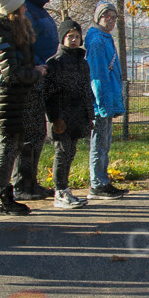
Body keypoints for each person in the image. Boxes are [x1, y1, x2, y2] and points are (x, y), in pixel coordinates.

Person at [0, 0, 45, 215]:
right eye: (22, 8)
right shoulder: (3, 37)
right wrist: (36, 73)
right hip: (8, 100)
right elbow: (12, 74)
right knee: (8, 147)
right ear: (13, 11)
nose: (26, 11)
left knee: (13, 146)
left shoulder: (13, 35)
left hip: (16, 99)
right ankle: (1, 198)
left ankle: (5, 195)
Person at [12, 0, 59, 201]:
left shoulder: (37, 8)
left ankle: (30, 181)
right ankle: (21, 184)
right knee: (31, 132)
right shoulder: (24, 9)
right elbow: (23, 44)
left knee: (38, 132)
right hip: (32, 78)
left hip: (42, 75)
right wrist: (36, 66)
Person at [44, 20, 94, 209]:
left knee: (71, 152)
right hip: (61, 118)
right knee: (62, 153)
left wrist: (89, 116)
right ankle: (60, 191)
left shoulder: (83, 63)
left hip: (78, 116)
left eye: (77, 37)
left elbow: (86, 92)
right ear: (62, 38)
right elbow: (50, 95)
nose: (74, 40)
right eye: (70, 37)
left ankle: (66, 190)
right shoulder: (55, 64)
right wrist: (55, 118)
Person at [85, 1, 129, 200]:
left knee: (105, 142)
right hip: (101, 101)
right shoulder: (97, 41)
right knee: (100, 143)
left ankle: (102, 179)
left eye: (113, 17)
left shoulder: (105, 38)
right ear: (98, 18)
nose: (110, 20)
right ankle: (98, 183)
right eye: (106, 16)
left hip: (108, 98)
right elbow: (98, 75)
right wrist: (102, 102)